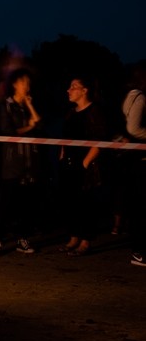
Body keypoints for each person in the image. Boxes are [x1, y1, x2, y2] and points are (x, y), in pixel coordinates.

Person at [0, 68, 41, 256]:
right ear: (15, 85)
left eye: (28, 83)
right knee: (5, 201)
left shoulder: (28, 104)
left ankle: (22, 238)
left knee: (25, 203)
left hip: (30, 161)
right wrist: (29, 127)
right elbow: (7, 131)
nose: (27, 86)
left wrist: (30, 106)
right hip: (11, 163)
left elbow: (40, 126)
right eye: (23, 83)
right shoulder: (6, 106)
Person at [57, 76, 108, 256]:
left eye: (73, 87)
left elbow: (99, 140)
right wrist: (62, 155)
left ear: (84, 90)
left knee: (86, 202)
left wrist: (85, 163)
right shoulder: (71, 113)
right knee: (70, 201)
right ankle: (73, 238)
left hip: (85, 165)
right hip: (69, 163)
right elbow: (65, 137)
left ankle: (85, 241)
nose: (69, 90)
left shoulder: (94, 111)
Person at [117, 62, 146, 266]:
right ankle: (139, 249)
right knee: (140, 205)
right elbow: (134, 128)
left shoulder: (129, 95)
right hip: (139, 158)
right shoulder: (140, 98)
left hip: (133, 157)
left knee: (137, 204)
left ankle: (138, 248)